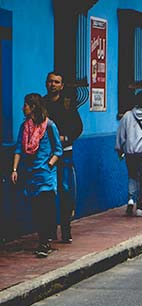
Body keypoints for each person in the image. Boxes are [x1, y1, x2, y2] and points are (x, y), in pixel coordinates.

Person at [11, 93, 63, 257]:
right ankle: (44, 239)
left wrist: (49, 164)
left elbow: (58, 150)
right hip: (31, 174)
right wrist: (14, 169)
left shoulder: (49, 125)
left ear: (33, 107)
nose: (23, 108)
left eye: (26, 105)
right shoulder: (24, 127)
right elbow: (18, 149)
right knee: (36, 210)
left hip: (46, 175)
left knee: (44, 208)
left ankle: (44, 243)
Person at [43, 71, 83, 244]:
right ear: (46, 83)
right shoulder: (42, 104)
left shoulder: (68, 104)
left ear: (62, 86)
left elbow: (78, 127)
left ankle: (66, 229)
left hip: (65, 153)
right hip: (45, 154)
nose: (53, 84)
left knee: (65, 190)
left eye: (56, 82)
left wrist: (65, 137)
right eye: (50, 81)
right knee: (48, 193)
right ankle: (50, 230)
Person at [115, 90, 142, 217]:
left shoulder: (127, 116)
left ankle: (130, 199)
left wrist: (119, 149)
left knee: (132, 176)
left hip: (130, 153)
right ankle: (139, 206)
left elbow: (121, 135)